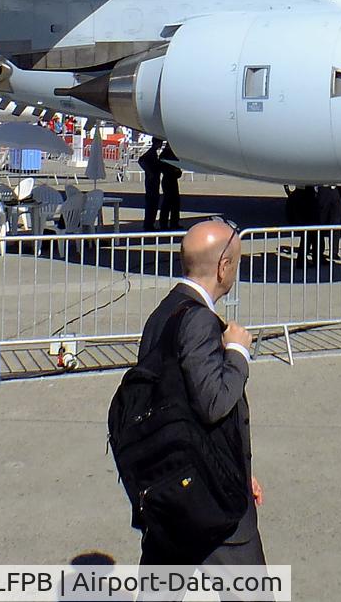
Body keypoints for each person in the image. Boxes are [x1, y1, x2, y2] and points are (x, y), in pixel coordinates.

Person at [132, 219, 264, 565]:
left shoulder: (163, 313)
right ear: (223, 268)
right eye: (236, 262)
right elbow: (213, 402)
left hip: (171, 491)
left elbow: (174, 404)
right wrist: (238, 352)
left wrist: (237, 465)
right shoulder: (200, 321)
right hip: (211, 508)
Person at [139, 138, 184, 232]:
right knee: (160, 203)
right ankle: (153, 224)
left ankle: (167, 223)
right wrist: (150, 172)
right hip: (161, 181)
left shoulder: (158, 154)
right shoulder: (155, 153)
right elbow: (142, 160)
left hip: (161, 180)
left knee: (171, 202)